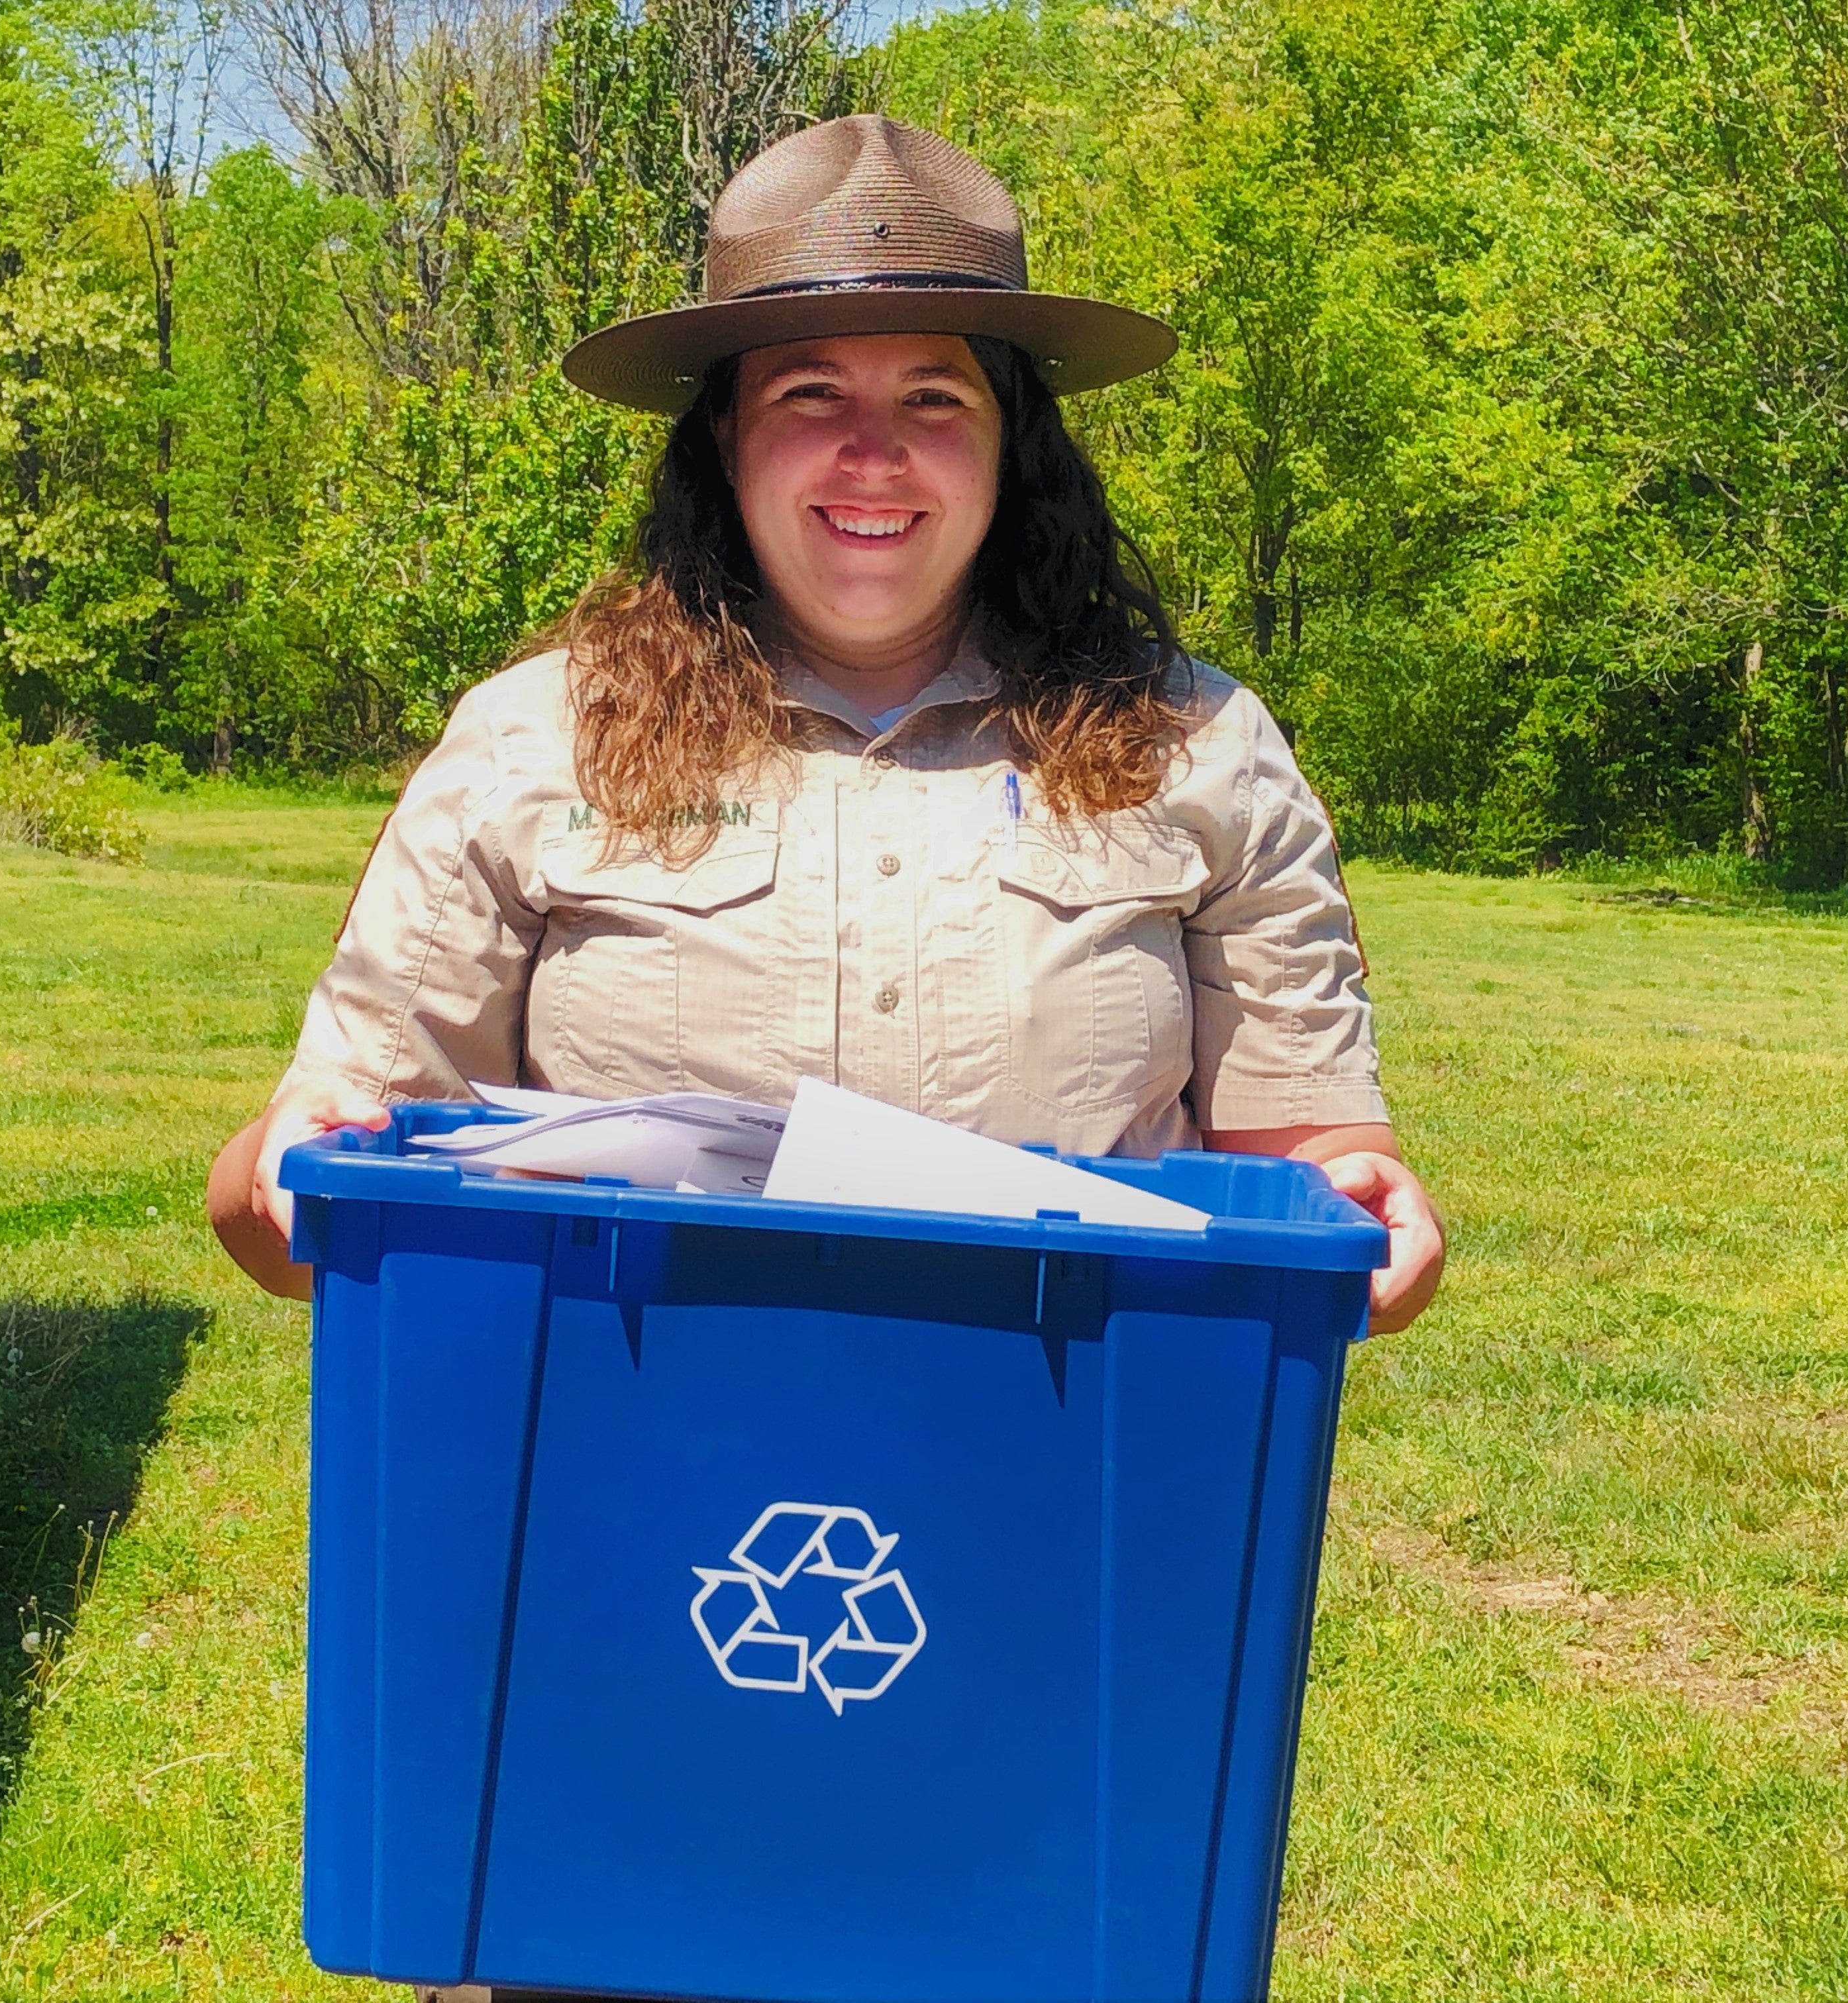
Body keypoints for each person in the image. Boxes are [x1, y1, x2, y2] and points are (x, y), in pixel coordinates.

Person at [209, 113, 1442, 1335]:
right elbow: (302, 1209)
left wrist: (1368, 1207)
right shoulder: (534, 742)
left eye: (934, 397)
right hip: (624, 1455)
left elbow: (1312, 1181)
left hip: (1071, 1462)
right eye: (809, 391)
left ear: (1014, 445)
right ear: (725, 443)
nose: (873, 453)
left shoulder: (1198, 743)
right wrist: (295, 1157)